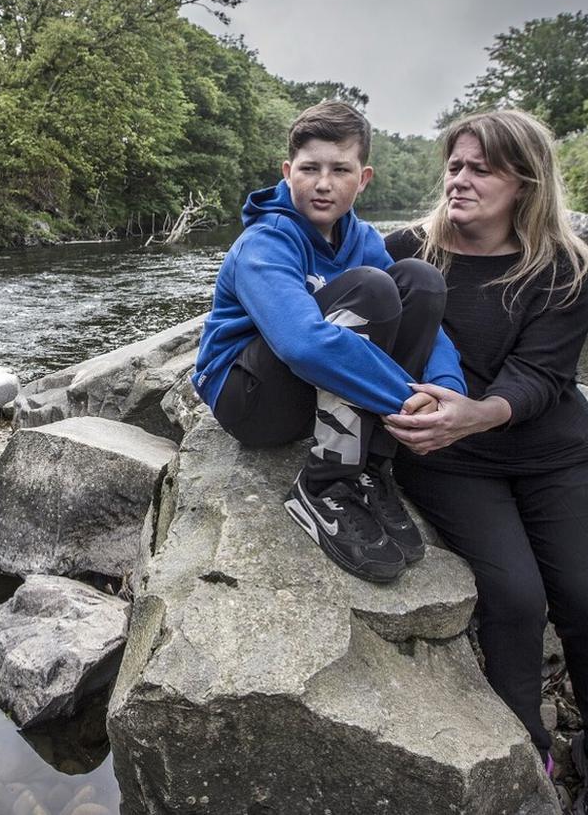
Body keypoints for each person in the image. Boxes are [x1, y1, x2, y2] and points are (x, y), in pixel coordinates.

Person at [380, 109, 588, 815]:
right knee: (515, 595)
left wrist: (479, 412)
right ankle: (522, 745)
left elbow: (540, 376)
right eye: (456, 165)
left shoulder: (563, 267)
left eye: (481, 169)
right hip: (450, 460)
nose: (459, 179)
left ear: (526, 182)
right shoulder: (407, 249)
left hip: (550, 453)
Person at [191, 100, 467, 584]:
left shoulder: (361, 237)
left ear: (363, 179)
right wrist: (404, 402)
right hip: (250, 400)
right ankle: (324, 484)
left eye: (340, 169)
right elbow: (303, 345)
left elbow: (425, 321)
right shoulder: (267, 240)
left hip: (310, 387)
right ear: (287, 171)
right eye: (309, 168)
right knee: (372, 289)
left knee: (420, 280)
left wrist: (447, 390)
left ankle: (369, 468)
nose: (323, 183)